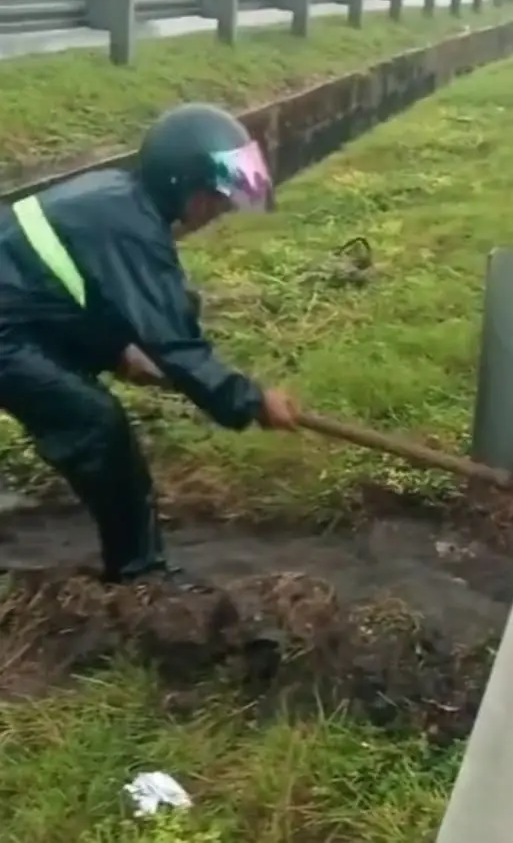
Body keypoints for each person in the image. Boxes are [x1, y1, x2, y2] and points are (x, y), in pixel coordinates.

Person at [0, 103, 299, 586]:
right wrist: (252, 400)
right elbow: (176, 346)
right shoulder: (132, 228)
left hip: (18, 320)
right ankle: (141, 575)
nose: (219, 210)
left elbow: (72, 291)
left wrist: (116, 352)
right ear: (181, 184)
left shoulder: (119, 199)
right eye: (215, 197)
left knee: (97, 395)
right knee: (96, 425)